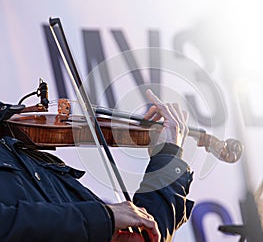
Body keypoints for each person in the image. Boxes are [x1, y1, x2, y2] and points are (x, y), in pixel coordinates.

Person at [0, 90, 194, 242]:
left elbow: (148, 232)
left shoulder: (31, 160)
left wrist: (167, 156)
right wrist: (104, 217)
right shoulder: (94, 216)